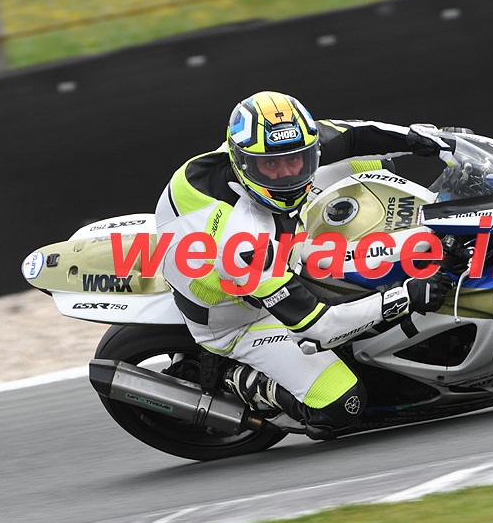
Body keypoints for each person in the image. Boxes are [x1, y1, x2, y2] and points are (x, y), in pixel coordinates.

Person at [155, 90, 453, 438]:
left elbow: (356, 136)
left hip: (259, 246)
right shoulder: (243, 244)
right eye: (271, 166)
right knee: (341, 406)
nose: (286, 175)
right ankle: (235, 378)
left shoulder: (270, 148)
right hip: (240, 319)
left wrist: (429, 140)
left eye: (295, 160)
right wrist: (404, 296)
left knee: (375, 167)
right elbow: (318, 326)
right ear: (243, 163)